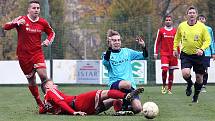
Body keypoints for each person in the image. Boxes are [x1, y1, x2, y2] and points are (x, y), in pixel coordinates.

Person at [2, 0, 55, 112]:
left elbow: (51, 33)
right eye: (34, 8)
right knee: (31, 80)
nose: (36, 10)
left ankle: (51, 101)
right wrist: (15, 23)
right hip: (23, 56)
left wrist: (47, 41)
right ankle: (40, 103)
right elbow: (5, 26)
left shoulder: (43, 22)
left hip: (37, 53)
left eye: (38, 8)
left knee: (43, 76)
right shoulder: (21, 19)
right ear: (29, 9)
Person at [102, 29, 148, 114]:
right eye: (114, 40)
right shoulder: (106, 54)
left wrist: (143, 46)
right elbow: (105, 62)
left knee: (138, 109)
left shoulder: (127, 52)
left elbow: (144, 56)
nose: (117, 42)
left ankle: (124, 106)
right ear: (109, 42)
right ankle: (118, 101)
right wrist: (109, 48)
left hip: (130, 88)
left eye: (119, 40)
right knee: (127, 84)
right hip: (115, 85)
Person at [40, 80, 144, 115]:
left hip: (87, 110)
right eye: (53, 84)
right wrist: (73, 112)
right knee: (105, 93)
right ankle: (127, 96)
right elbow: (60, 101)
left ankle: (119, 111)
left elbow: (41, 110)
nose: (55, 85)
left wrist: (43, 107)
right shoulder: (50, 91)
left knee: (113, 100)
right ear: (47, 87)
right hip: (78, 102)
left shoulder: (47, 103)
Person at [173, 6, 210, 103]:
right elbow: (177, 38)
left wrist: (202, 49)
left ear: (196, 15)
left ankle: (196, 96)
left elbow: (208, 40)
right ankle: (189, 84)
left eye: (193, 13)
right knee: (185, 73)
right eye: (190, 13)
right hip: (186, 54)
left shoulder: (202, 27)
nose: (192, 14)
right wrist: (175, 49)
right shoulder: (182, 26)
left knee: (199, 78)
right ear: (187, 15)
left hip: (199, 55)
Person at [154, 15, 178, 94]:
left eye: (169, 20)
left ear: (172, 21)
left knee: (171, 72)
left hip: (173, 54)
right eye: (166, 20)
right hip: (164, 54)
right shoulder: (161, 30)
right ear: (165, 21)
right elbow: (157, 42)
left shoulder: (175, 31)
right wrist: (155, 52)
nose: (168, 21)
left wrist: (179, 52)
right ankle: (164, 86)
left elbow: (178, 42)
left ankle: (169, 89)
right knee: (164, 70)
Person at [197, 14, 215, 93]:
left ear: (205, 20)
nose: (201, 20)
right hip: (197, 53)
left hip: (206, 53)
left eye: (203, 19)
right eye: (200, 19)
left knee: (205, 69)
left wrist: (213, 52)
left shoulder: (209, 29)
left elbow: (211, 41)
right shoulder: (195, 28)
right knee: (197, 70)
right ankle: (198, 85)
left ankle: (203, 85)